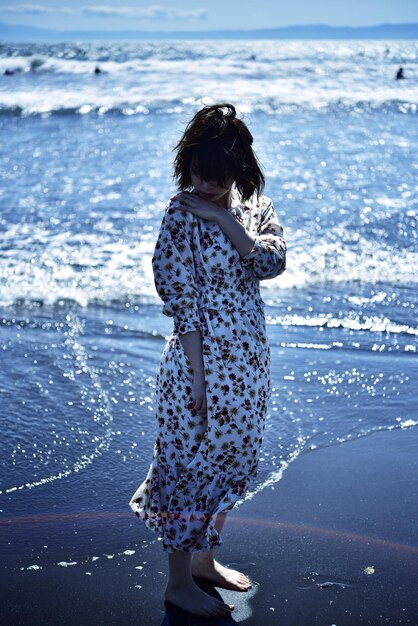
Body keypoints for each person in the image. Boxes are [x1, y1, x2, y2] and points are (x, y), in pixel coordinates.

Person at [129, 102, 287, 618]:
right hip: (198, 367)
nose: (206, 186)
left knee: (229, 462)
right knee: (186, 466)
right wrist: (199, 380)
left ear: (238, 170)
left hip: (248, 364)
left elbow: (271, 262)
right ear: (187, 163)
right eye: (199, 174)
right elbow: (182, 302)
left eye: (219, 179)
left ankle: (204, 563)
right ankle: (178, 582)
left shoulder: (253, 208)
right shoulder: (179, 214)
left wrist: (223, 216)